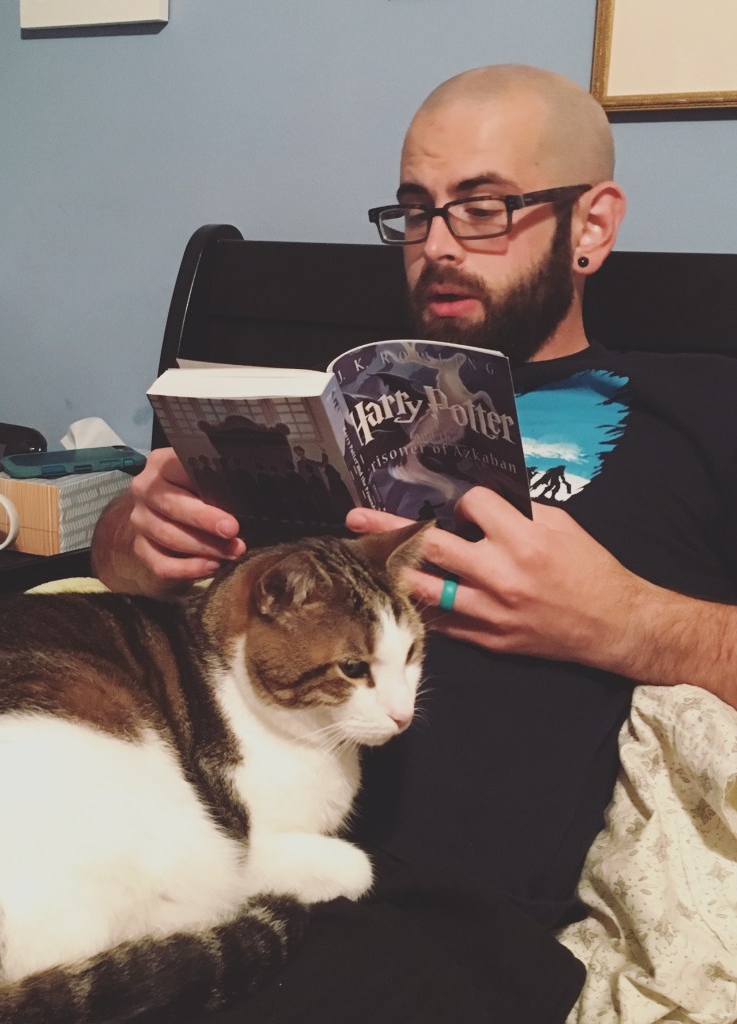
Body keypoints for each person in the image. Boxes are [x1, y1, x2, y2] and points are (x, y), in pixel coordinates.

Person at [92, 64, 737, 937]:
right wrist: (132, 539)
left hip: (430, 918)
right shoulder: (323, 404)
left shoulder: (699, 406)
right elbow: (122, 563)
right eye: (415, 212)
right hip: (177, 834)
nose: (437, 246)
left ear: (591, 225)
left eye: (483, 208)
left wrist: (630, 623)